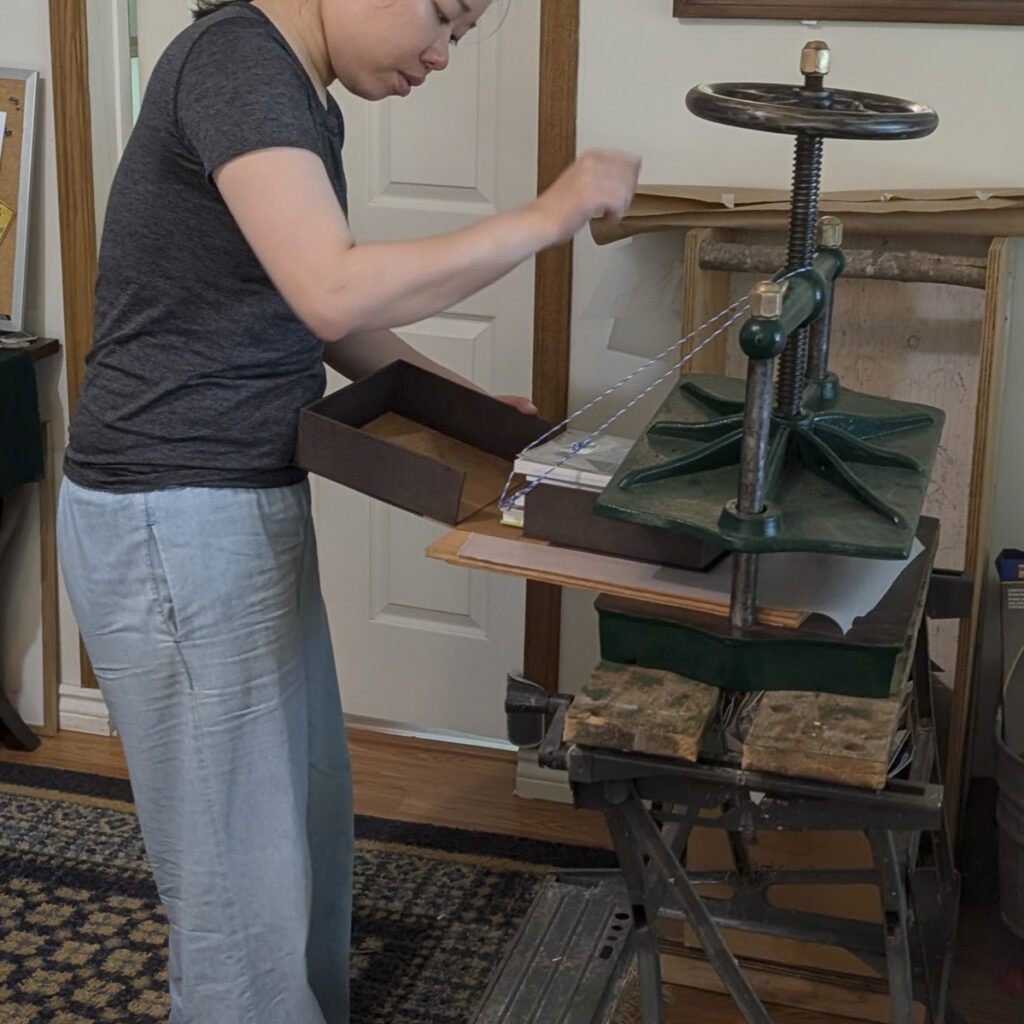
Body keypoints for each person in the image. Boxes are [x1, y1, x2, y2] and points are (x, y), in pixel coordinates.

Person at [56, 1, 640, 1022]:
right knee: (238, 888)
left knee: (304, 822)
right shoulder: (235, 59)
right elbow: (332, 290)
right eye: (443, 15)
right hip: (170, 522)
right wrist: (550, 213)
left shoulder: (296, 93)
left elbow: (321, 311)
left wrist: (458, 405)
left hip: (231, 507)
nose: (441, 54)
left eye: (461, 34)